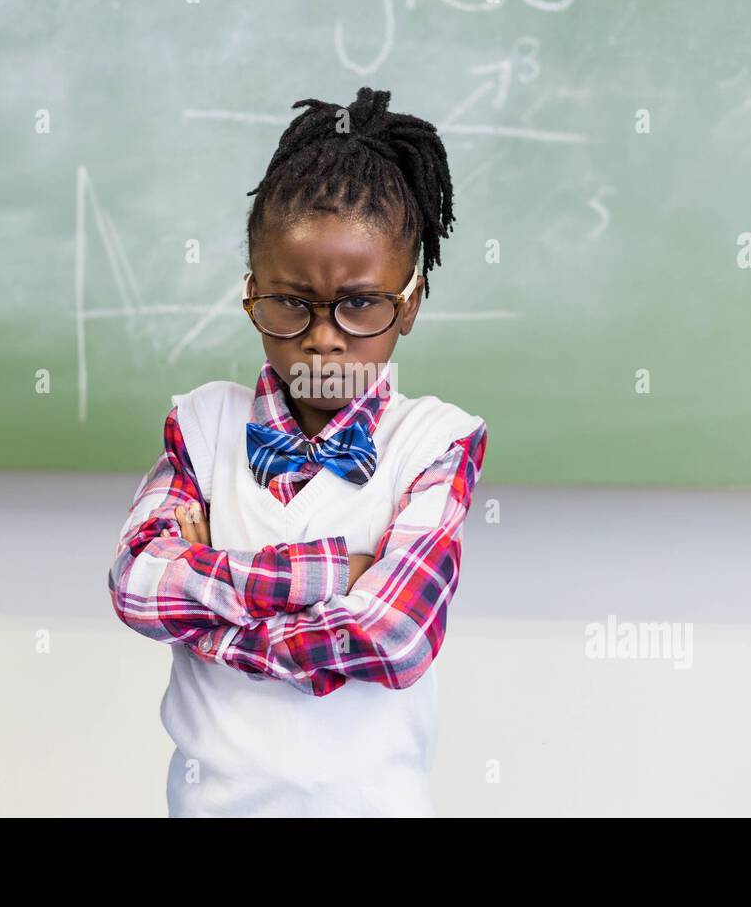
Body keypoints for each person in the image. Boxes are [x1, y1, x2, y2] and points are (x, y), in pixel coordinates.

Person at [108, 87, 488, 816]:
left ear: (407, 302)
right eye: (290, 302)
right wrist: (337, 573)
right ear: (251, 291)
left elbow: (394, 637)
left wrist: (212, 611)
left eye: (360, 303)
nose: (322, 336)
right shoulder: (202, 425)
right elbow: (137, 584)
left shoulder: (436, 443)